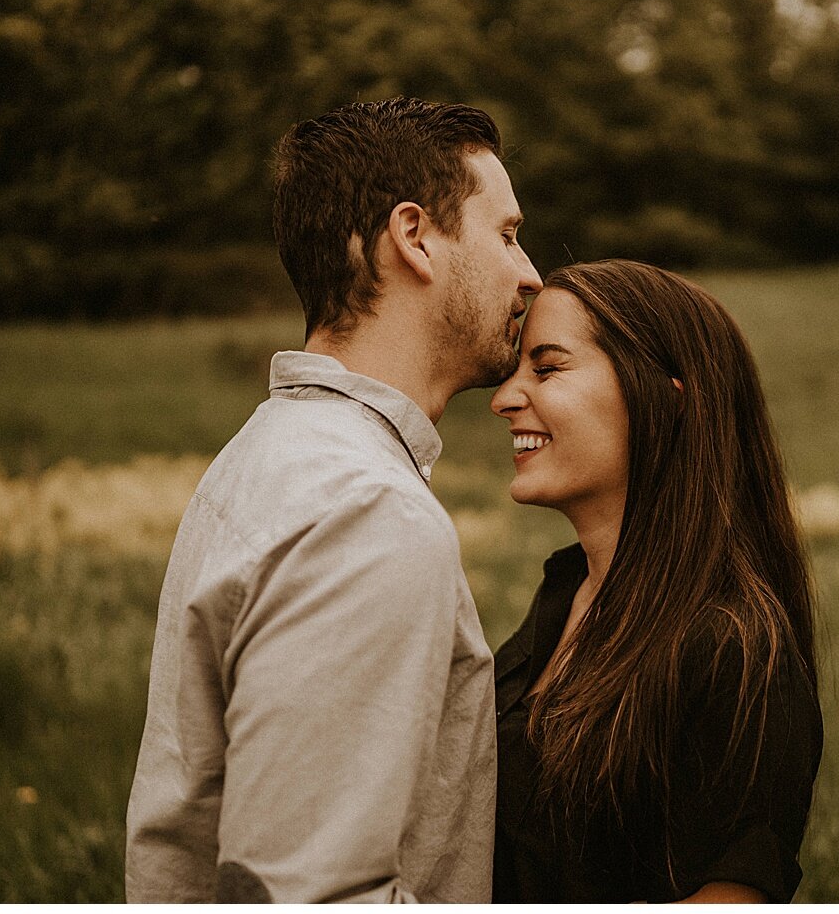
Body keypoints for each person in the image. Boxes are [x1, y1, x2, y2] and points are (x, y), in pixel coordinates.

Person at [125, 97, 542, 902]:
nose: (528, 272)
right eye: (507, 234)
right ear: (414, 236)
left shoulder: (269, 454)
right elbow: (313, 891)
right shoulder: (365, 512)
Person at [488, 259, 823, 903]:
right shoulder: (561, 598)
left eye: (548, 367)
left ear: (665, 397)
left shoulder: (733, 645)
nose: (504, 397)